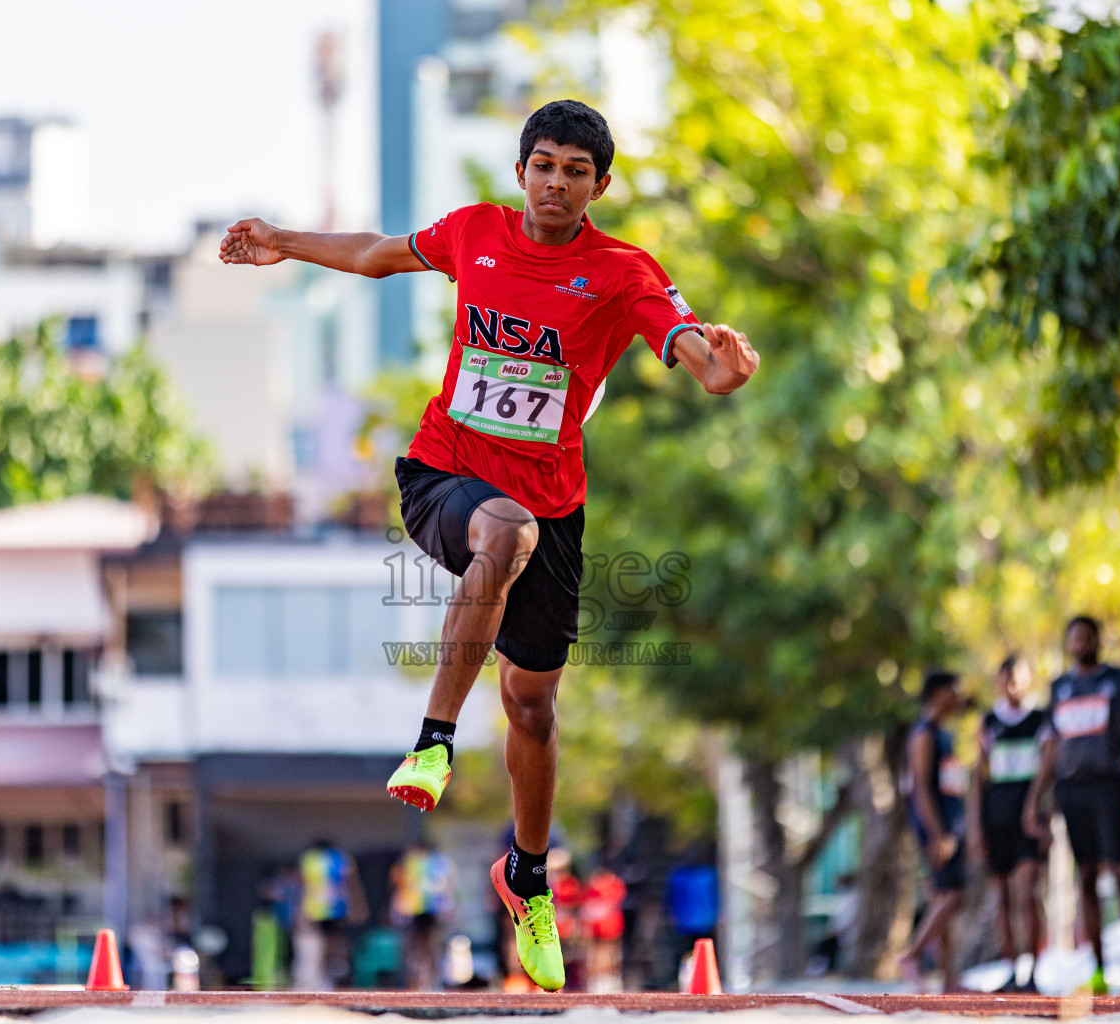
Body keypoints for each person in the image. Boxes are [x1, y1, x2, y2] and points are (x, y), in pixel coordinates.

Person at [221, 99, 760, 991]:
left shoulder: (623, 272)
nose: (556, 183)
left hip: (556, 505)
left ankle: (528, 876)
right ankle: (433, 740)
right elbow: (374, 255)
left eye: (575, 172)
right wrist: (284, 239)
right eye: (543, 165)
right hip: (445, 477)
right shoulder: (474, 233)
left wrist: (726, 372)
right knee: (501, 532)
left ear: (601, 185)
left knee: (535, 709)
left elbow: (692, 349)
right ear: (521, 172)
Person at [1024, 616, 1120, 995]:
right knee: (1086, 877)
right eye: (1074, 638)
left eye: (1087, 636)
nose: (1080, 643)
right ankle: (1098, 970)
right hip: (1070, 791)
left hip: (1110, 788)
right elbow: (1051, 751)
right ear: (1068, 644)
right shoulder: (1061, 688)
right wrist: (1035, 801)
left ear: (1098, 640)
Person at [969, 654, 1048, 993]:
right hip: (996, 818)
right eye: (1006, 678)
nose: (1012, 685)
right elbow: (979, 775)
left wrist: (1038, 811)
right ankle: (1011, 969)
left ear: (1028, 680)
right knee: (1001, 896)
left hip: (1028, 821)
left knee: (1026, 892)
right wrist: (975, 826)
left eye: (1018, 677)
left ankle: (1032, 971)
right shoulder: (988, 723)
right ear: (998, 682)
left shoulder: (1041, 720)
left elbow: (1048, 769)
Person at [898, 671, 969, 992]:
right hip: (935, 827)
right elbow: (920, 788)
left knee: (944, 898)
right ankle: (910, 956)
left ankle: (949, 979)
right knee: (954, 896)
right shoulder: (924, 734)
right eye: (952, 691)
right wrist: (938, 834)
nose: (956, 698)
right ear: (937, 694)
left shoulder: (945, 734)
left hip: (951, 824)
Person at [297, 839, 366, 990]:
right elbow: (352, 884)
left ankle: (325, 976)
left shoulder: (310, 859)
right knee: (334, 940)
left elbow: (303, 885)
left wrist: (301, 911)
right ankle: (335, 972)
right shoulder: (341, 858)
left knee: (320, 942)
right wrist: (358, 906)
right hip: (336, 906)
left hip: (316, 906)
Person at [390, 840, 457, 990]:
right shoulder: (441, 862)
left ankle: (420, 978)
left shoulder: (409, 862)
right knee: (430, 945)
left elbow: (397, 884)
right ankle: (429, 979)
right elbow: (449, 887)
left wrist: (395, 909)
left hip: (415, 909)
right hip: (431, 909)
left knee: (418, 945)